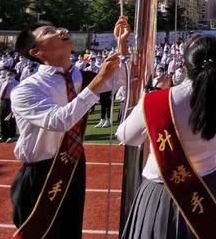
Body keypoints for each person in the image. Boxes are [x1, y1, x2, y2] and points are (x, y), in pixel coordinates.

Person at [10, 17, 129, 239]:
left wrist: (121, 44)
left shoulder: (80, 77)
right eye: (48, 32)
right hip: (40, 174)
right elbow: (59, 121)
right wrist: (100, 78)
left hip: (73, 166)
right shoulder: (27, 89)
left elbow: (123, 79)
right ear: (36, 52)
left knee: (70, 232)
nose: (60, 32)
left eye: (58, 28)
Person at [118, 35, 216, 238]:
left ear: (184, 63)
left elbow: (126, 136)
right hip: (213, 186)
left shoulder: (157, 101)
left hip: (164, 191)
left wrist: (150, 97)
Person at [0, 67, 18, 143]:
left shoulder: (17, 83)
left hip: (11, 101)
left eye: (10, 74)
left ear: (14, 75)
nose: (9, 75)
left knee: (11, 119)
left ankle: (12, 136)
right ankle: (4, 135)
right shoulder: (4, 82)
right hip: (3, 101)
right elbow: (0, 92)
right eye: (8, 74)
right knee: (2, 118)